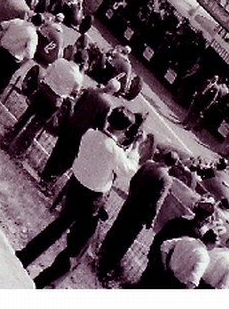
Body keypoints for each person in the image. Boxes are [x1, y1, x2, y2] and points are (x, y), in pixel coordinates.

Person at [16, 107, 140, 288]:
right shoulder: (115, 152)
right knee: (77, 250)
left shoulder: (90, 134)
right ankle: (44, 282)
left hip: (75, 185)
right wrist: (135, 148)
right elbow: (128, 169)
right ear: (125, 129)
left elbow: (106, 153)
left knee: (57, 227)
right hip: (92, 198)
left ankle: (25, 256)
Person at [97, 151, 176, 284]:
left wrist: (132, 196)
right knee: (124, 241)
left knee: (116, 229)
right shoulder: (166, 179)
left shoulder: (148, 165)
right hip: (140, 213)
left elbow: (133, 181)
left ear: (163, 157)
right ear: (173, 165)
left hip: (130, 204)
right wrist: (151, 220)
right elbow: (157, 201)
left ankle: (101, 252)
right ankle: (105, 268)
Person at [39, 79, 121, 184]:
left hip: (72, 124)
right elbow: (101, 124)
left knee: (58, 150)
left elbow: (76, 106)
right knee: (68, 159)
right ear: (114, 91)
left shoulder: (91, 90)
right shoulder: (107, 104)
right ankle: (50, 179)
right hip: (83, 133)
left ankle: (44, 174)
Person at [5, 55, 84, 154]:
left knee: (27, 114)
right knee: (37, 124)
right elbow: (74, 93)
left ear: (74, 56)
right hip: (54, 101)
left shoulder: (61, 62)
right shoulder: (79, 78)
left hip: (43, 91)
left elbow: (47, 73)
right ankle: (19, 149)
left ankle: (10, 134)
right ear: (82, 63)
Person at [136, 198, 216, 288]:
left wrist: (153, 254)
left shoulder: (177, 220)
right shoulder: (196, 236)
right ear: (205, 219)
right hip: (168, 270)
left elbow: (159, 237)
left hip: (157, 257)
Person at [0, 14, 41, 113]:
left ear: (31, 18)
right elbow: (29, 55)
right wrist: (21, 64)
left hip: (1, 51)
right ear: (39, 26)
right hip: (12, 59)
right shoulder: (33, 35)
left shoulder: (17, 21)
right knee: (0, 83)